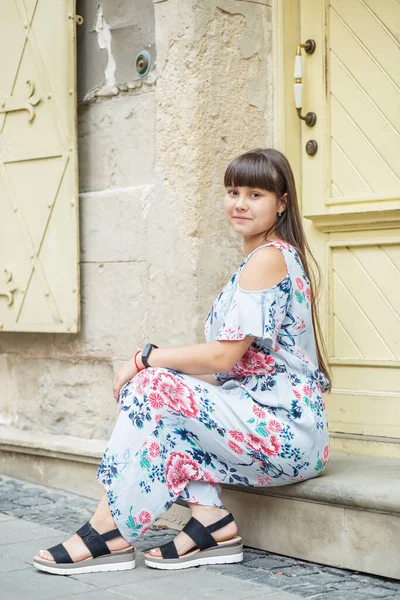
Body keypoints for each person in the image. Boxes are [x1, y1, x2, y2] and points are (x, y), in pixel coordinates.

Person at [33, 148, 331, 575]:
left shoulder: (269, 259)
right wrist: (156, 369)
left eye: (255, 194)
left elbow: (223, 355)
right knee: (161, 386)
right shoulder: (268, 258)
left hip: (288, 435)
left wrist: (145, 358)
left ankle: (109, 529)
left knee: (155, 382)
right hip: (273, 424)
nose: (240, 203)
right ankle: (212, 520)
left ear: (282, 202)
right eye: (232, 191)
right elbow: (231, 368)